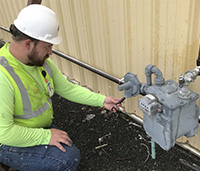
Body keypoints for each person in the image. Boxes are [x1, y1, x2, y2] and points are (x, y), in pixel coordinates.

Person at [0, 4, 122, 171]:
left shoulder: (39, 62)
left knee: (65, 146)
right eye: (47, 46)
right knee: (66, 160)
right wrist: (46, 136)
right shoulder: (3, 76)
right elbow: (4, 133)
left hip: (33, 128)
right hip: (6, 141)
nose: (51, 52)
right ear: (28, 44)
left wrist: (102, 100)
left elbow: (67, 88)